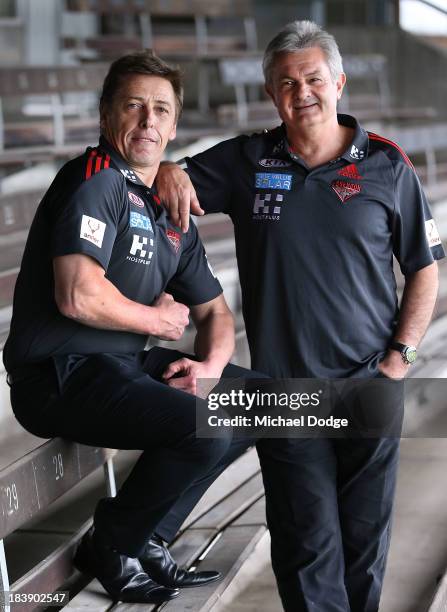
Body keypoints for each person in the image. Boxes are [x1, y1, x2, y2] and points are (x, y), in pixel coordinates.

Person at [155, 21, 445, 612]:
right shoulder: (247, 159)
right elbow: (168, 181)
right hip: (285, 392)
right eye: (286, 83)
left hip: (370, 382)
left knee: (364, 545)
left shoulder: (389, 166)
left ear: (338, 83)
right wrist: (169, 167)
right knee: (306, 545)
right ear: (271, 94)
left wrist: (399, 358)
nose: (302, 92)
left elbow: (424, 269)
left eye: (313, 78)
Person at [3, 51, 256, 605]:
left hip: (114, 369)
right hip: (58, 372)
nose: (147, 121)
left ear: (174, 124)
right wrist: (158, 321)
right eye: (133, 106)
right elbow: (76, 293)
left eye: (160, 110)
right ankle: (113, 544)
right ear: (105, 114)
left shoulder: (169, 212)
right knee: (200, 426)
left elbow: (216, 313)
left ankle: (151, 538)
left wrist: (208, 371)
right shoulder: (93, 180)